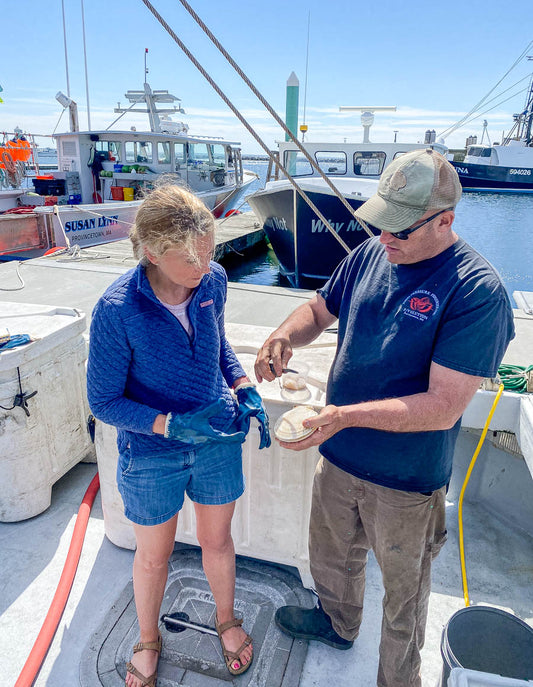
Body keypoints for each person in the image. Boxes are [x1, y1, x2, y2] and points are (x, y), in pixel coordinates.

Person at [254, 149, 515, 687]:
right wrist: (284, 332)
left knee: (404, 601)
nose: (385, 237)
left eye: (399, 227)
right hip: (339, 456)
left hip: (404, 482)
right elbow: (319, 310)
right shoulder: (373, 254)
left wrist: (343, 416)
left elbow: (444, 407)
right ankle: (338, 622)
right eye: (381, 221)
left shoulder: (477, 291)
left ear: (445, 220)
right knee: (331, 559)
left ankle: (398, 680)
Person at [87, 184, 270, 687]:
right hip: (151, 453)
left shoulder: (213, 280)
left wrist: (242, 384)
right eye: (189, 259)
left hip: (214, 439)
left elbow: (219, 344)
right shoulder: (116, 309)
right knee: (154, 555)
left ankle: (226, 619)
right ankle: (148, 639)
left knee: (218, 541)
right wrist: (169, 424)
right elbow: (103, 402)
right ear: (151, 252)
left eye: (209, 252)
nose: (203, 268)